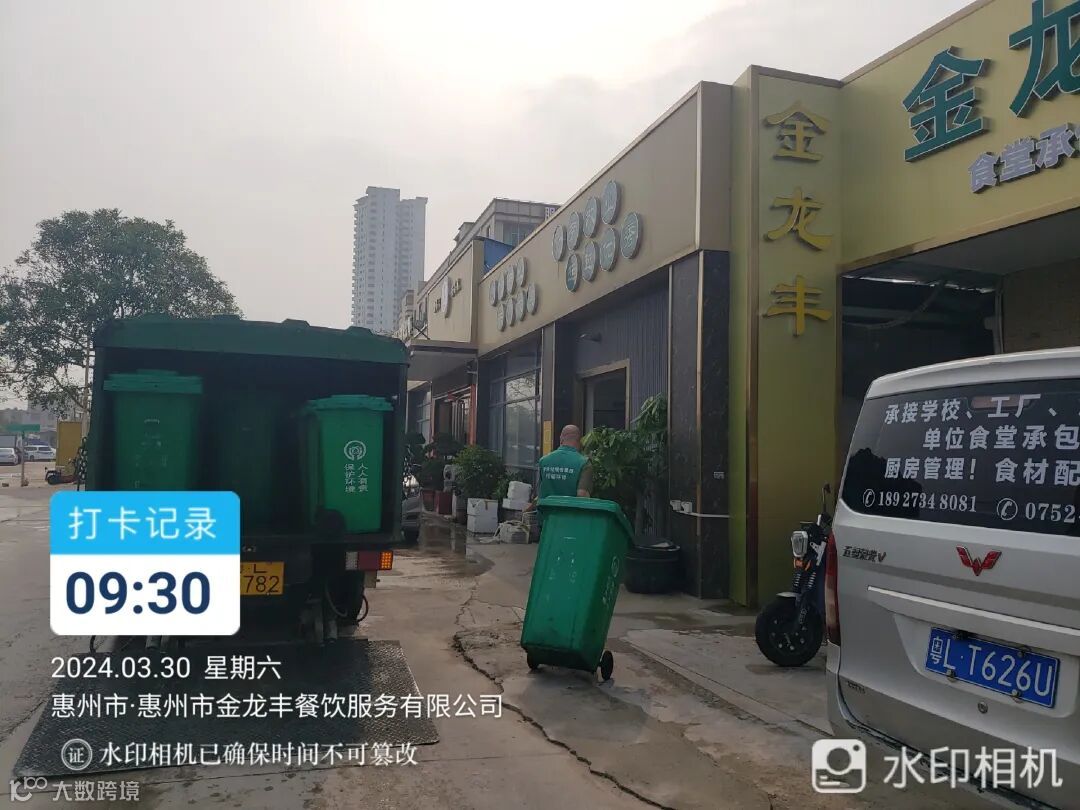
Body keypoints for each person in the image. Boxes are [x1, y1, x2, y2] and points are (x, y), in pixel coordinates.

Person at [528, 425, 593, 513]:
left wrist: (528, 509)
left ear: (561, 439)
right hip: (569, 517)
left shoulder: (544, 461)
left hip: (546, 518)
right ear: (580, 441)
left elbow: (540, 494)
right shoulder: (584, 463)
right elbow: (582, 495)